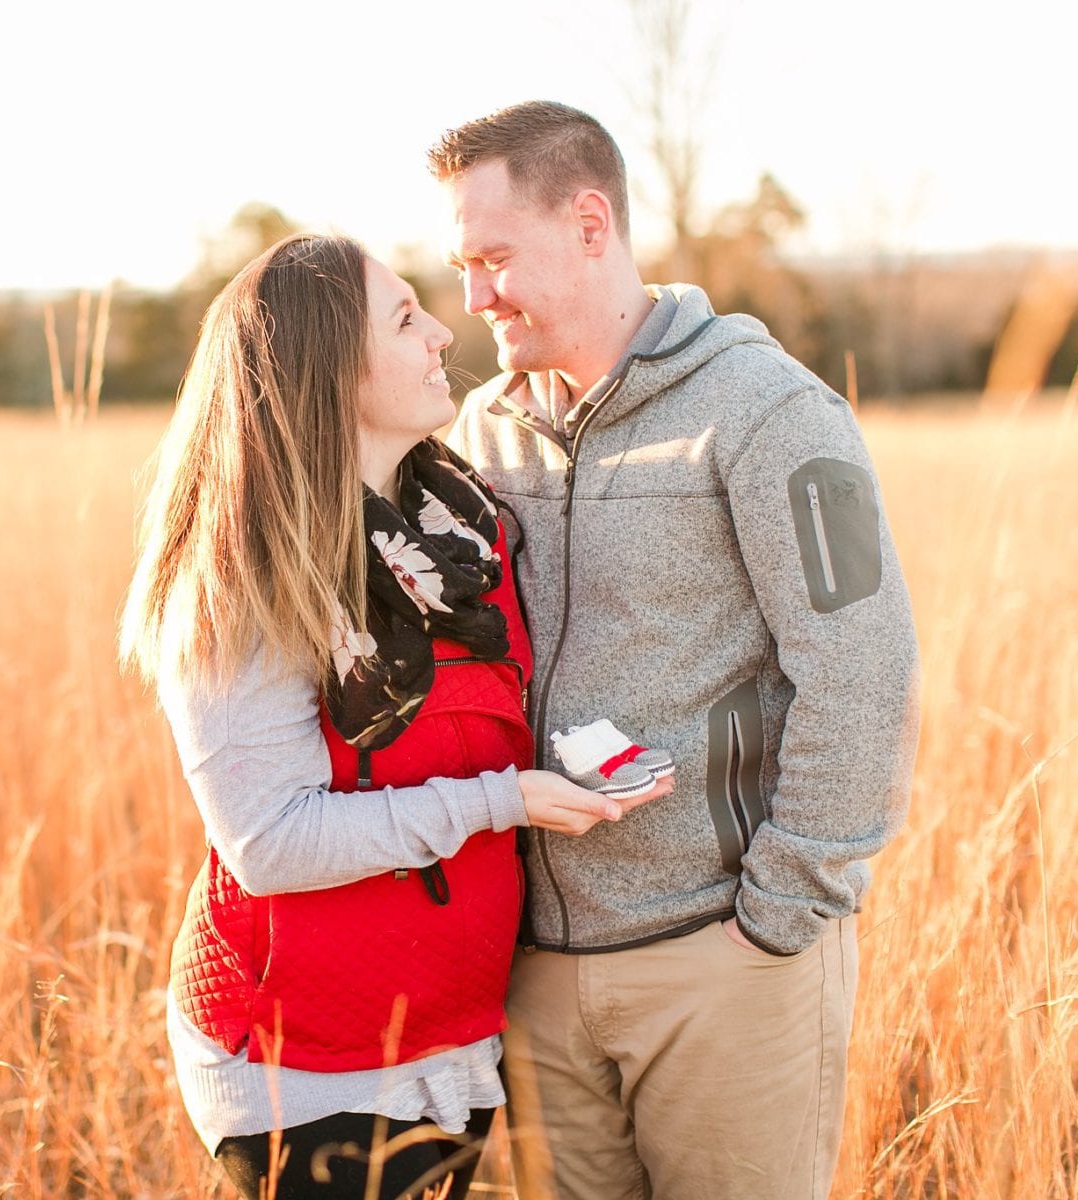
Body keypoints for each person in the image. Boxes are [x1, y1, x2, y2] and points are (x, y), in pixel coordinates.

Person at [428, 101, 923, 1200]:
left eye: (493, 258)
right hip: (537, 979)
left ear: (591, 223)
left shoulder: (769, 412)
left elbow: (864, 672)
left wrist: (778, 920)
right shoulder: (476, 434)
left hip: (723, 962)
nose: (473, 297)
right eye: (460, 267)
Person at [119, 234, 669, 1200]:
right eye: (406, 318)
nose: (442, 333)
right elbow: (272, 845)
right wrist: (507, 801)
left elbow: (485, 721)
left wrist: (579, 768)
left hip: (452, 1032)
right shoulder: (239, 581)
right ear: (327, 369)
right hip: (304, 1061)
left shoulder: (464, 529)